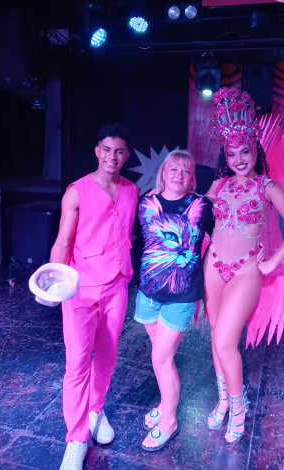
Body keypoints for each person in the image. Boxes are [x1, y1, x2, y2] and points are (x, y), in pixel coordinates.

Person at [203, 87, 284, 444]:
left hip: (246, 270)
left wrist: (274, 261)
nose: (238, 159)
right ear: (226, 156)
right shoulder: (218, 185)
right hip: (213, 266)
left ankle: (239, 406)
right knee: (214, 337)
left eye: (244, 151)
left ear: (255, 150)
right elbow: (195, 214)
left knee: (225, 341)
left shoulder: (268, 187)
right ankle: (223, 399)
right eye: (231, 153)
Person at [50, 123, 138, 470]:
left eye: (119, 151)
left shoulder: (131, 190)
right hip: (81, 288)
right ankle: (75, 439)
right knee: (77, 364)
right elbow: (62, 242)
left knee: (107, 357)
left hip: (117, 285)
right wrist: (55, 282)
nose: (112, 157)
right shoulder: (76, 191)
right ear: (97, 151)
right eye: (107, 149)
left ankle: (95, 411)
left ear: (126, 155)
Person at [134, 149, 214, 452]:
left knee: (161, 358)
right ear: (163, 173)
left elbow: (222, 237)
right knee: (161, 357)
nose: (179, 175)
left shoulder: (201, 206)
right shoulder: (146, 204)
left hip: (181, 296)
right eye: (173, 169)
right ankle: (165, 403)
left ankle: (169, 421)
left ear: (191, 177)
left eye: (185, 170)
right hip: (149, 293)